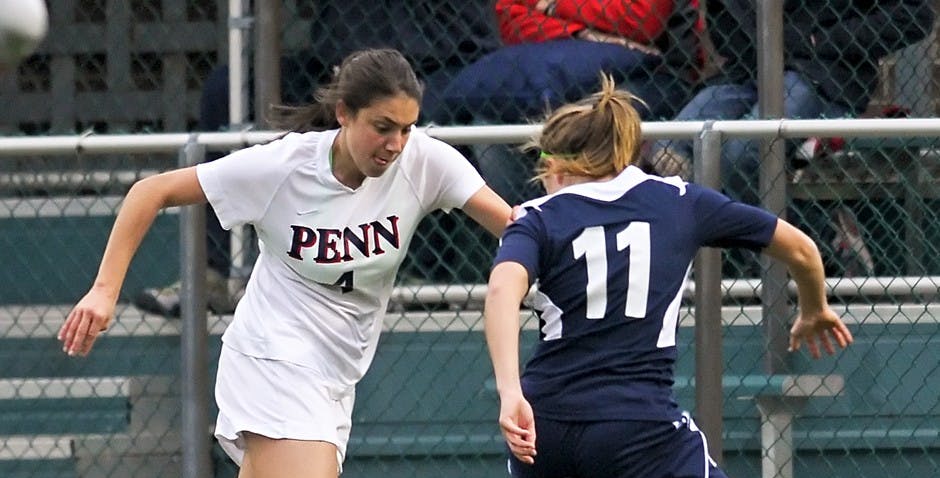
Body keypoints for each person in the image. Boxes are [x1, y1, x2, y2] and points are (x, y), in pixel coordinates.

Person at [53, 47, 512, 478]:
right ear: (344, 114)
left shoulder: (426, 163)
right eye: (382, 126)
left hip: (331, 380)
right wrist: (103, 290)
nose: (395, 143)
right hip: (271, 358)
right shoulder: (283, 167)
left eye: (407, 127)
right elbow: (150, 192)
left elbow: (513, 228)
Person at [432, 75, 868, 478]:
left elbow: (501, 292)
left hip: (548, 424)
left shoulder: (538, 218)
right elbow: (801, 247)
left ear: (559, 165)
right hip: (635, 425)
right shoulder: (677, 200)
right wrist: (813, 306)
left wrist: (509, 391)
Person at [133, 0, 503, 316]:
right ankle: (212, 275)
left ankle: (417, 275)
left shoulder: (416, 142)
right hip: (339, 70)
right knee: (224, 88)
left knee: (415, 119)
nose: (398, 142)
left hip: (443, 65)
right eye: (388, 130)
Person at [650, 0, 935, 256]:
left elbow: (914, 16)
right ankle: (730, 264)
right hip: (748, 73)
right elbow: (726, 30)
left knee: (745, 152)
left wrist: (824, 40)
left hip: (822, 74)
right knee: (669, 148)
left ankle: (817, 254)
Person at [441, 0, 705, 204]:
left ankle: (598, 230)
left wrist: (555, 6)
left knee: (598, 117)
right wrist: (584, 33)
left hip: (647, 73)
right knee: (490, 122)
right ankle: (531, 230)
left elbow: (640, 18)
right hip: (553, 70)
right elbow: (509, 17)